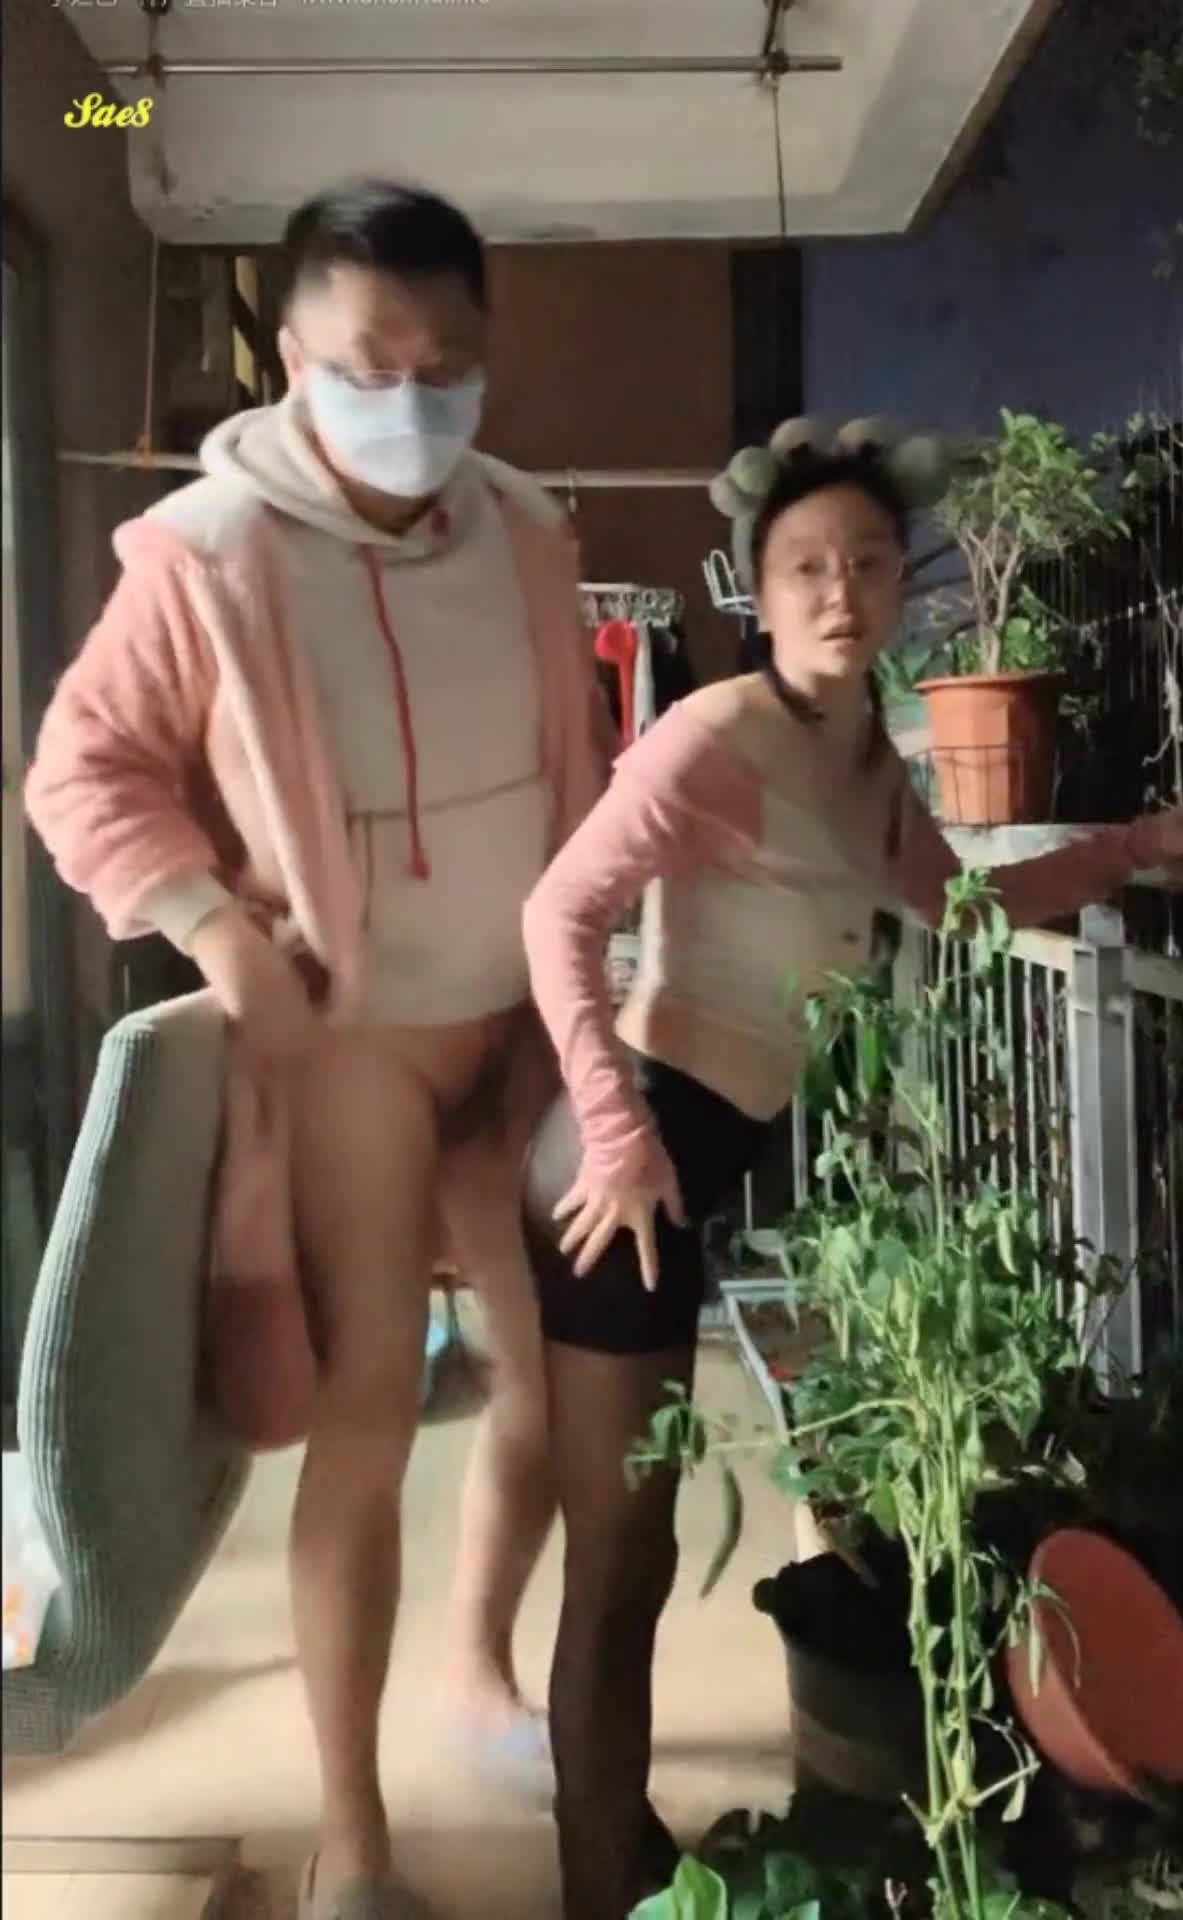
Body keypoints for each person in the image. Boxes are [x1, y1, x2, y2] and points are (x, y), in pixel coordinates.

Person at [518, 421, 1183, 1920]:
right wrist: (618, 1132)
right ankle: (593, 1882)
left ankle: (616, 1856)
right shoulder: (709, 734)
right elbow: (558, 912)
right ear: (760, 591)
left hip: (695, 1155)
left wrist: (1128, 847)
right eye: (806, 568)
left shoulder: (868, 759)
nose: (840, 592)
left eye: (869, 564)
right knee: (619, 1563)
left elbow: (961, 904)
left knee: (630, 1557)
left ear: (901, 586)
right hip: (618, 1162)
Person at [25, 178, 612, 1920]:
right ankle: (353, 1840)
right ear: (291, 360)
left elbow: (580, 761)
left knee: (560, 1389)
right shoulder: (210, 554)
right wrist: (212, 925)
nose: (411, 399)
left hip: (517, 1023)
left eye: (447, 363)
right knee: (368, 1410)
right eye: (370, 363)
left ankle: (476, 1672)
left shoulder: (525, 531)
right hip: (354, 1040)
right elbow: (81, 771)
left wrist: (582, 998)